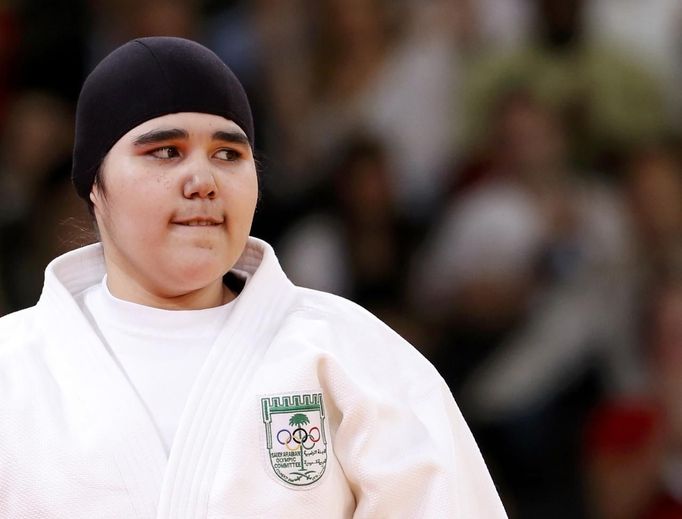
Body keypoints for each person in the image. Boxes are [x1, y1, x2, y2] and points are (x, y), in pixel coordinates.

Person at [0, 37, 506, 518]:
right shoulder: (14, 367)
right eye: (166, 152)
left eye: (229, 154)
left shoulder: (353, 354)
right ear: (96, 185)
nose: (203, 181)